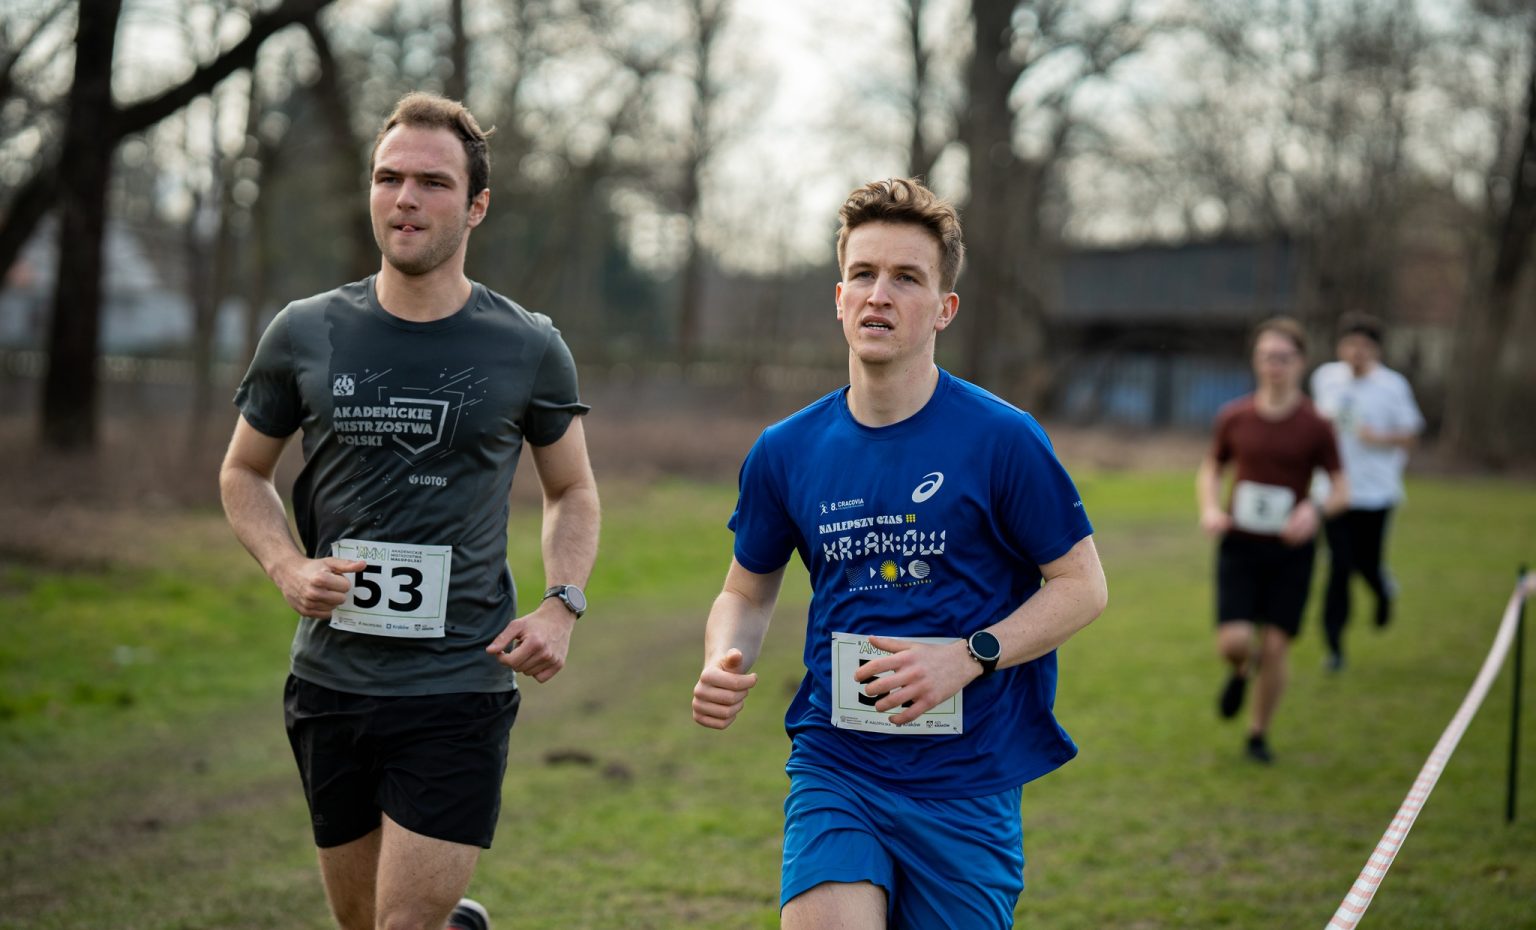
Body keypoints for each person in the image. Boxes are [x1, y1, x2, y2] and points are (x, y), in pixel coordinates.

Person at [219, 92, 599, 930]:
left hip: (459, 683)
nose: (405, 199)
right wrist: (286, 567)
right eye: (388, 178)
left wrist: (561, 604)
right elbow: (244, 472)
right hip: (330, 682)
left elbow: (572, 490)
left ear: (476, 205)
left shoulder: (528, 344)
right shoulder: (304, 331)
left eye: (432, 182)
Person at [690, 177, 1107, 929]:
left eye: (907, 278)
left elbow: (1081, 586)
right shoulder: (786, 450)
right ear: (839, 297)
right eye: (863, 274)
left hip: (968, 782)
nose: (879, 294)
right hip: (837, 763)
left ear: (945, 307)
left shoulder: (1003, 439)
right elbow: (746, 591)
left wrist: (969, 656)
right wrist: (725, 655)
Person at [1196, 317, 1346, 764]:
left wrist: (1314, 510)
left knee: (1278, 646)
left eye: (1283, 357)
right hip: (1240, 545)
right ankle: (1242, 668)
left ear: (1301, 362)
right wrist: (1210, 509)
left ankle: (1257, 734)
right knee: (1234, 642)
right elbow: (1212, 467)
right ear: (1255, 361)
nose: (1274, 366)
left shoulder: (1316, 424)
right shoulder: (1235, 416)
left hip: (1290, 550)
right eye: (1266, 357)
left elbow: (1342, 489)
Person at [1309, 312, 1424, 670]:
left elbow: (1411, 436)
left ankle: (1382, 591)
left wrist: (1378, 437)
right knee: (1339, 567)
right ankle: (1334, 646)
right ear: (1340, 347)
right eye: (1350, 344)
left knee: (1366, 564)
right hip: (1333, 491)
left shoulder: (1392, 386)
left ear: (1376, 350)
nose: (1356, 352)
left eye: (1364, 345)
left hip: (1376, 492)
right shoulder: (1325, 378)